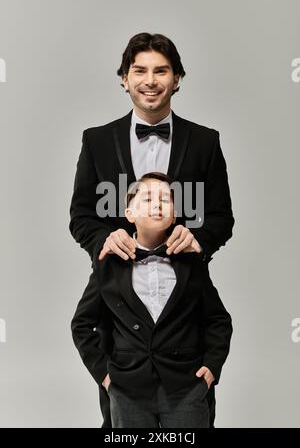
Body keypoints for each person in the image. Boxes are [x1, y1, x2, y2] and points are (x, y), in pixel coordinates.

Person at [69, 32, 234, 426]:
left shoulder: (205, 142)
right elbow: (81, 216)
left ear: (177, 78)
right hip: (118, 302)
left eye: (161, 71)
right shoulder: (97, 141)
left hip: (183, 302)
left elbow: (221, 218)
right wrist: (104, 239)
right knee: (124, 421)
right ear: (123, 78)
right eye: (139, 70)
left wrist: (198, 238)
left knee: (190, 418)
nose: (150, 80)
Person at [71, 172, 232, 428]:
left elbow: (218, 320)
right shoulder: (108, 264)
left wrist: (211, 368)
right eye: (147, 199)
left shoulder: (191, 261)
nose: (157, 204)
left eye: (165, 199)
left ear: (174, 213)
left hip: (186, 386)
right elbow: (81, 325)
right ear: (129, 213)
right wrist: (104, 374)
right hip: (127, 387)